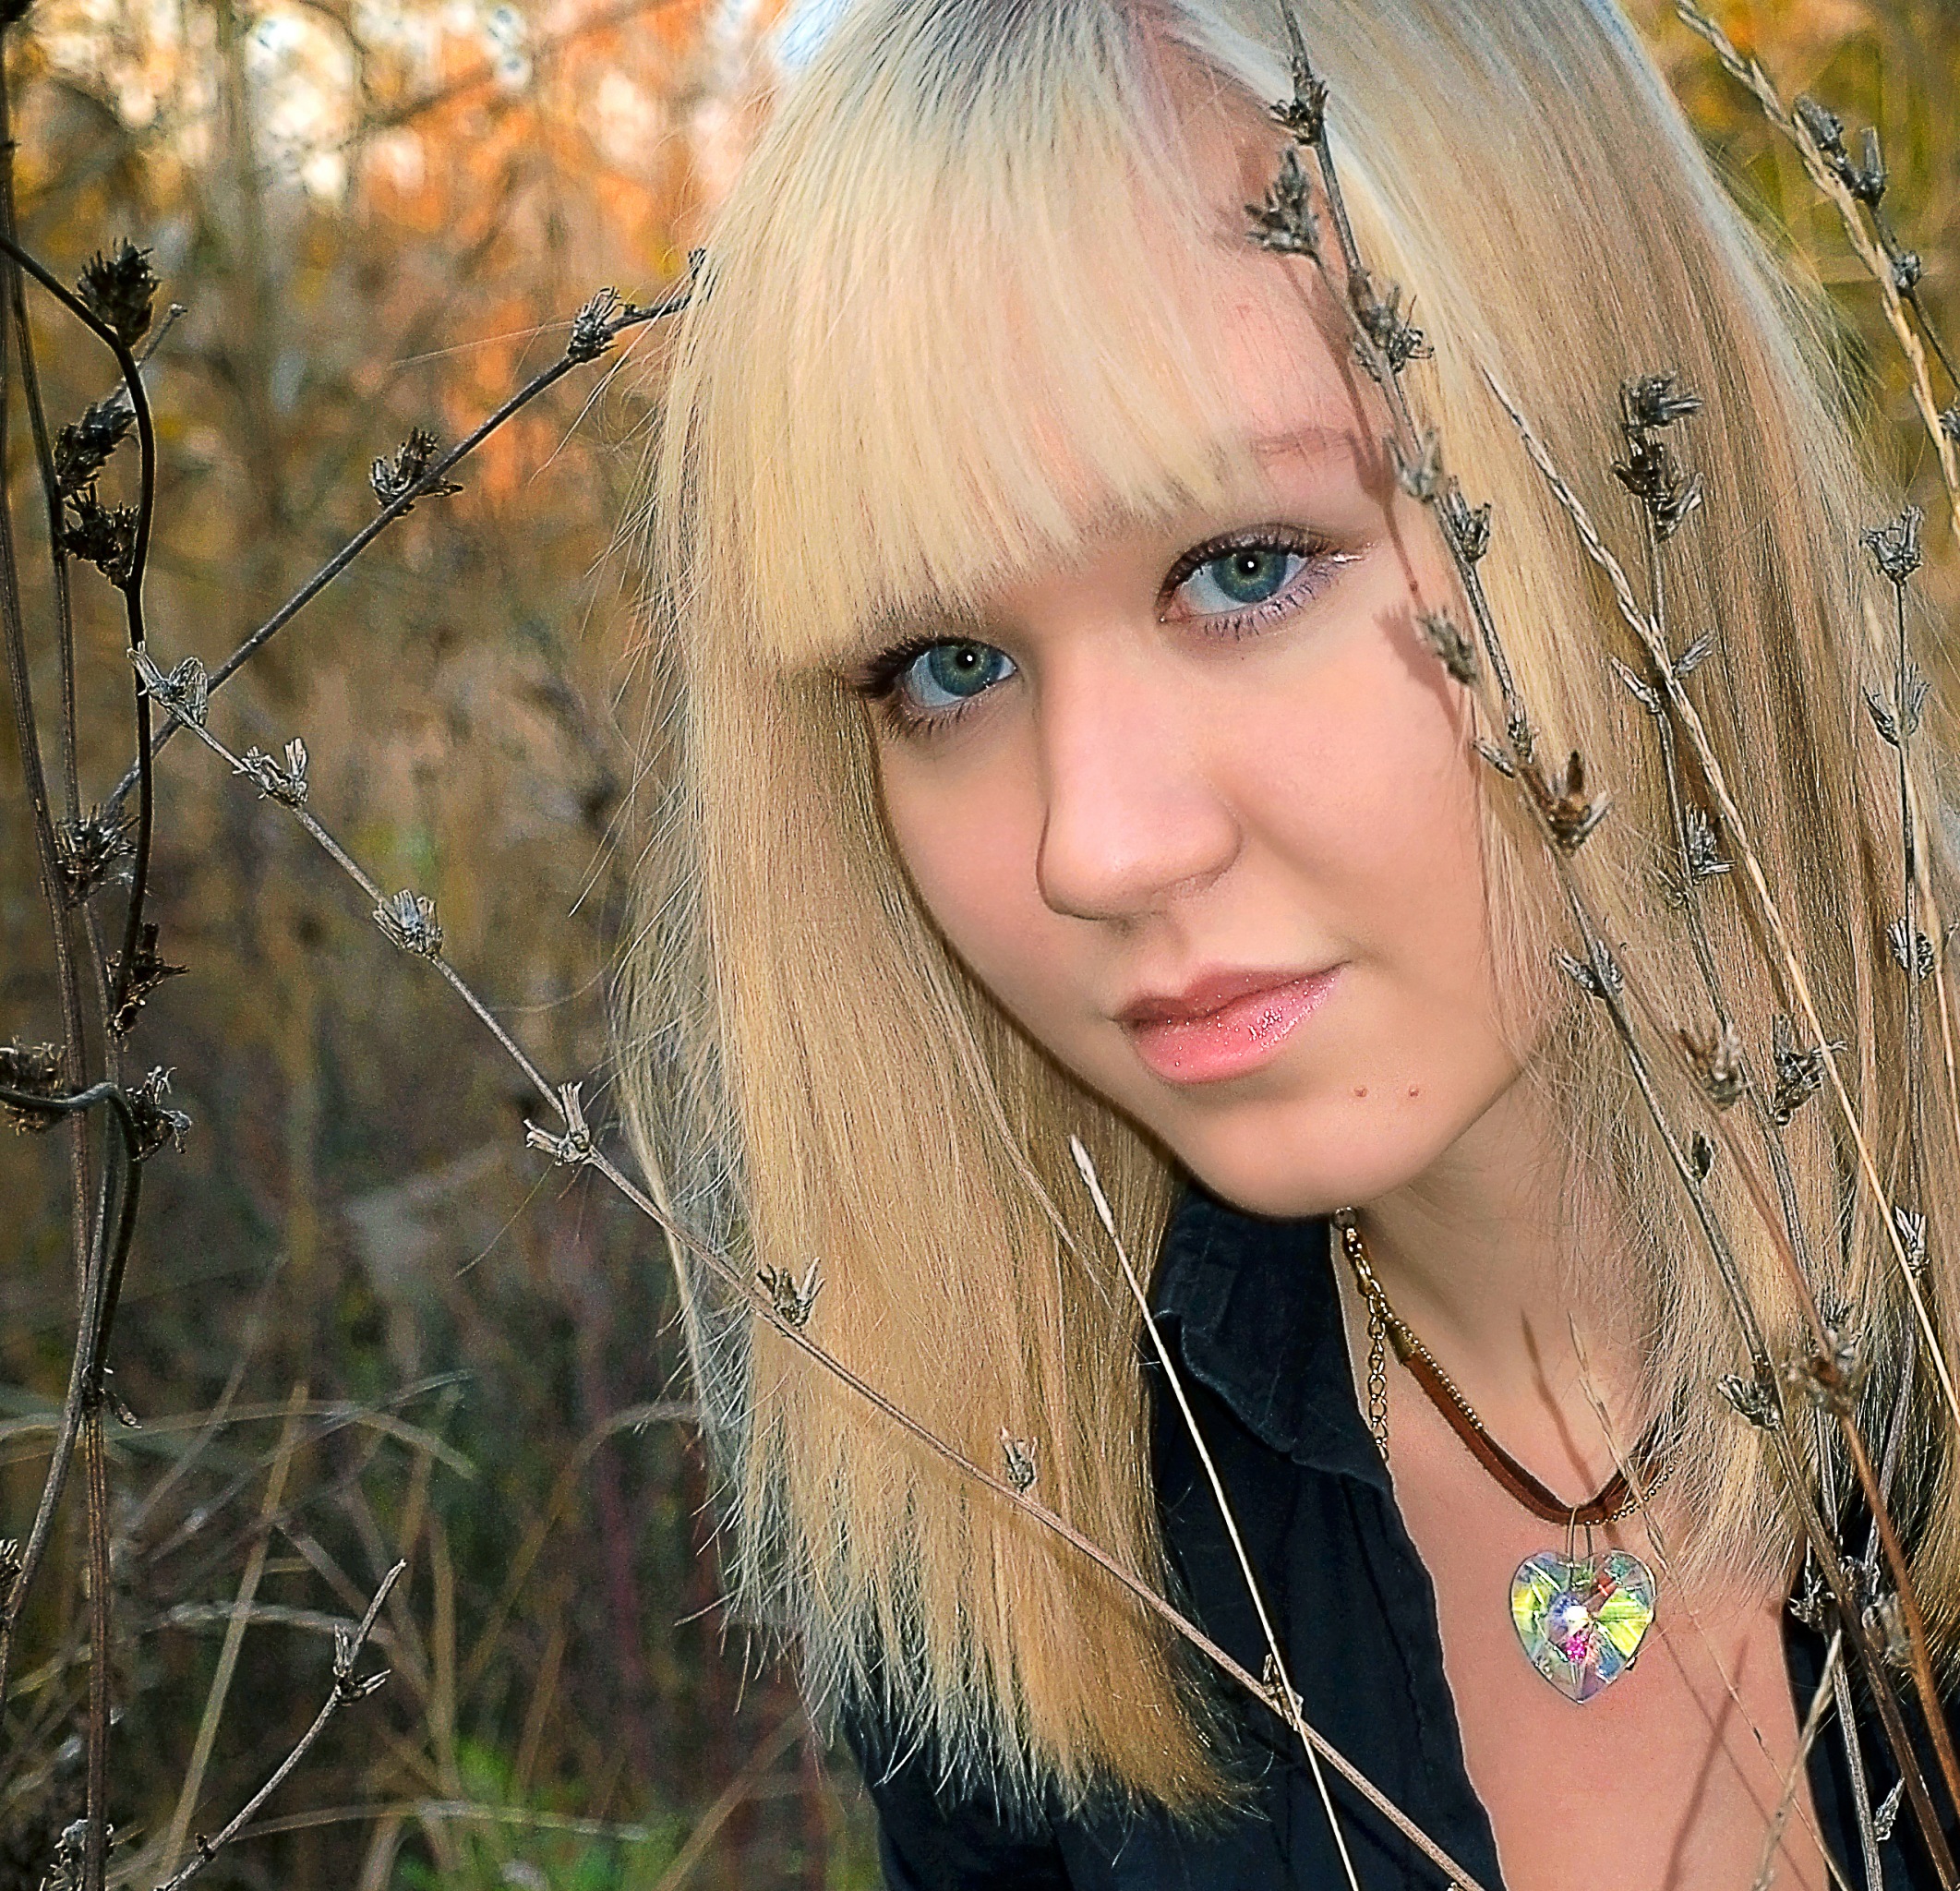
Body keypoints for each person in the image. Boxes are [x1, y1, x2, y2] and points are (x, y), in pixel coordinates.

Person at [617, 0, 1960, 1885]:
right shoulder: (1033, 1539)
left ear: (1632, 477)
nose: (1099, 845)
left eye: (1246, 567)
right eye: (951, 666)